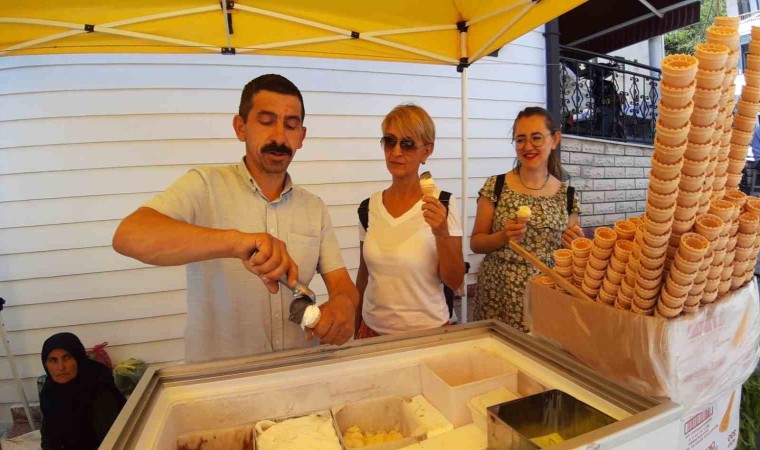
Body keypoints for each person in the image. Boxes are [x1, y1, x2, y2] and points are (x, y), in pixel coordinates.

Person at [112, 74, 358, 362]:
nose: (279, 137)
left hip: (299, 372)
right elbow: (128, 236)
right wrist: (234, 242)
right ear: (240, 127)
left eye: (290, 125)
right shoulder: (204, 185)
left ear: (302, 136)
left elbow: (343, 286)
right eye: (266, 121)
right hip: (220, 381)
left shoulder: (313, 207)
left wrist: (343, 307)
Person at [354, 104, 465, 338]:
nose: (396, 152)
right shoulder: (368, 207)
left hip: (426, 334)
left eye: (407, 144)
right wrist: (353, 330)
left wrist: (442, 233)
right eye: (389, 141)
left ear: (426, 151)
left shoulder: (442, 203)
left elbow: (454, 280)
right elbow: (364, 276)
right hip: (372, 332)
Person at [470, 106, 583, 331]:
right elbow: (476, 242)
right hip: (497, 292)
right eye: (520, 139)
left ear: (555, 140)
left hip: (545, 295)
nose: (528, 146)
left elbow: (571, 253)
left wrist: (576, 247)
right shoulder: (496, 186)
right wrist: (502, 237)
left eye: (536, 138)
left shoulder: (567, 195)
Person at [40, 333, 126, 450]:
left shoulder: (98, 384)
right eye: (53, 360)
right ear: (46, 364)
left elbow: (110, 438)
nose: (60, 367)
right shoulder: (50, 390)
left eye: (66, 358)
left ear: (78, 358)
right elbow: (48, 433)